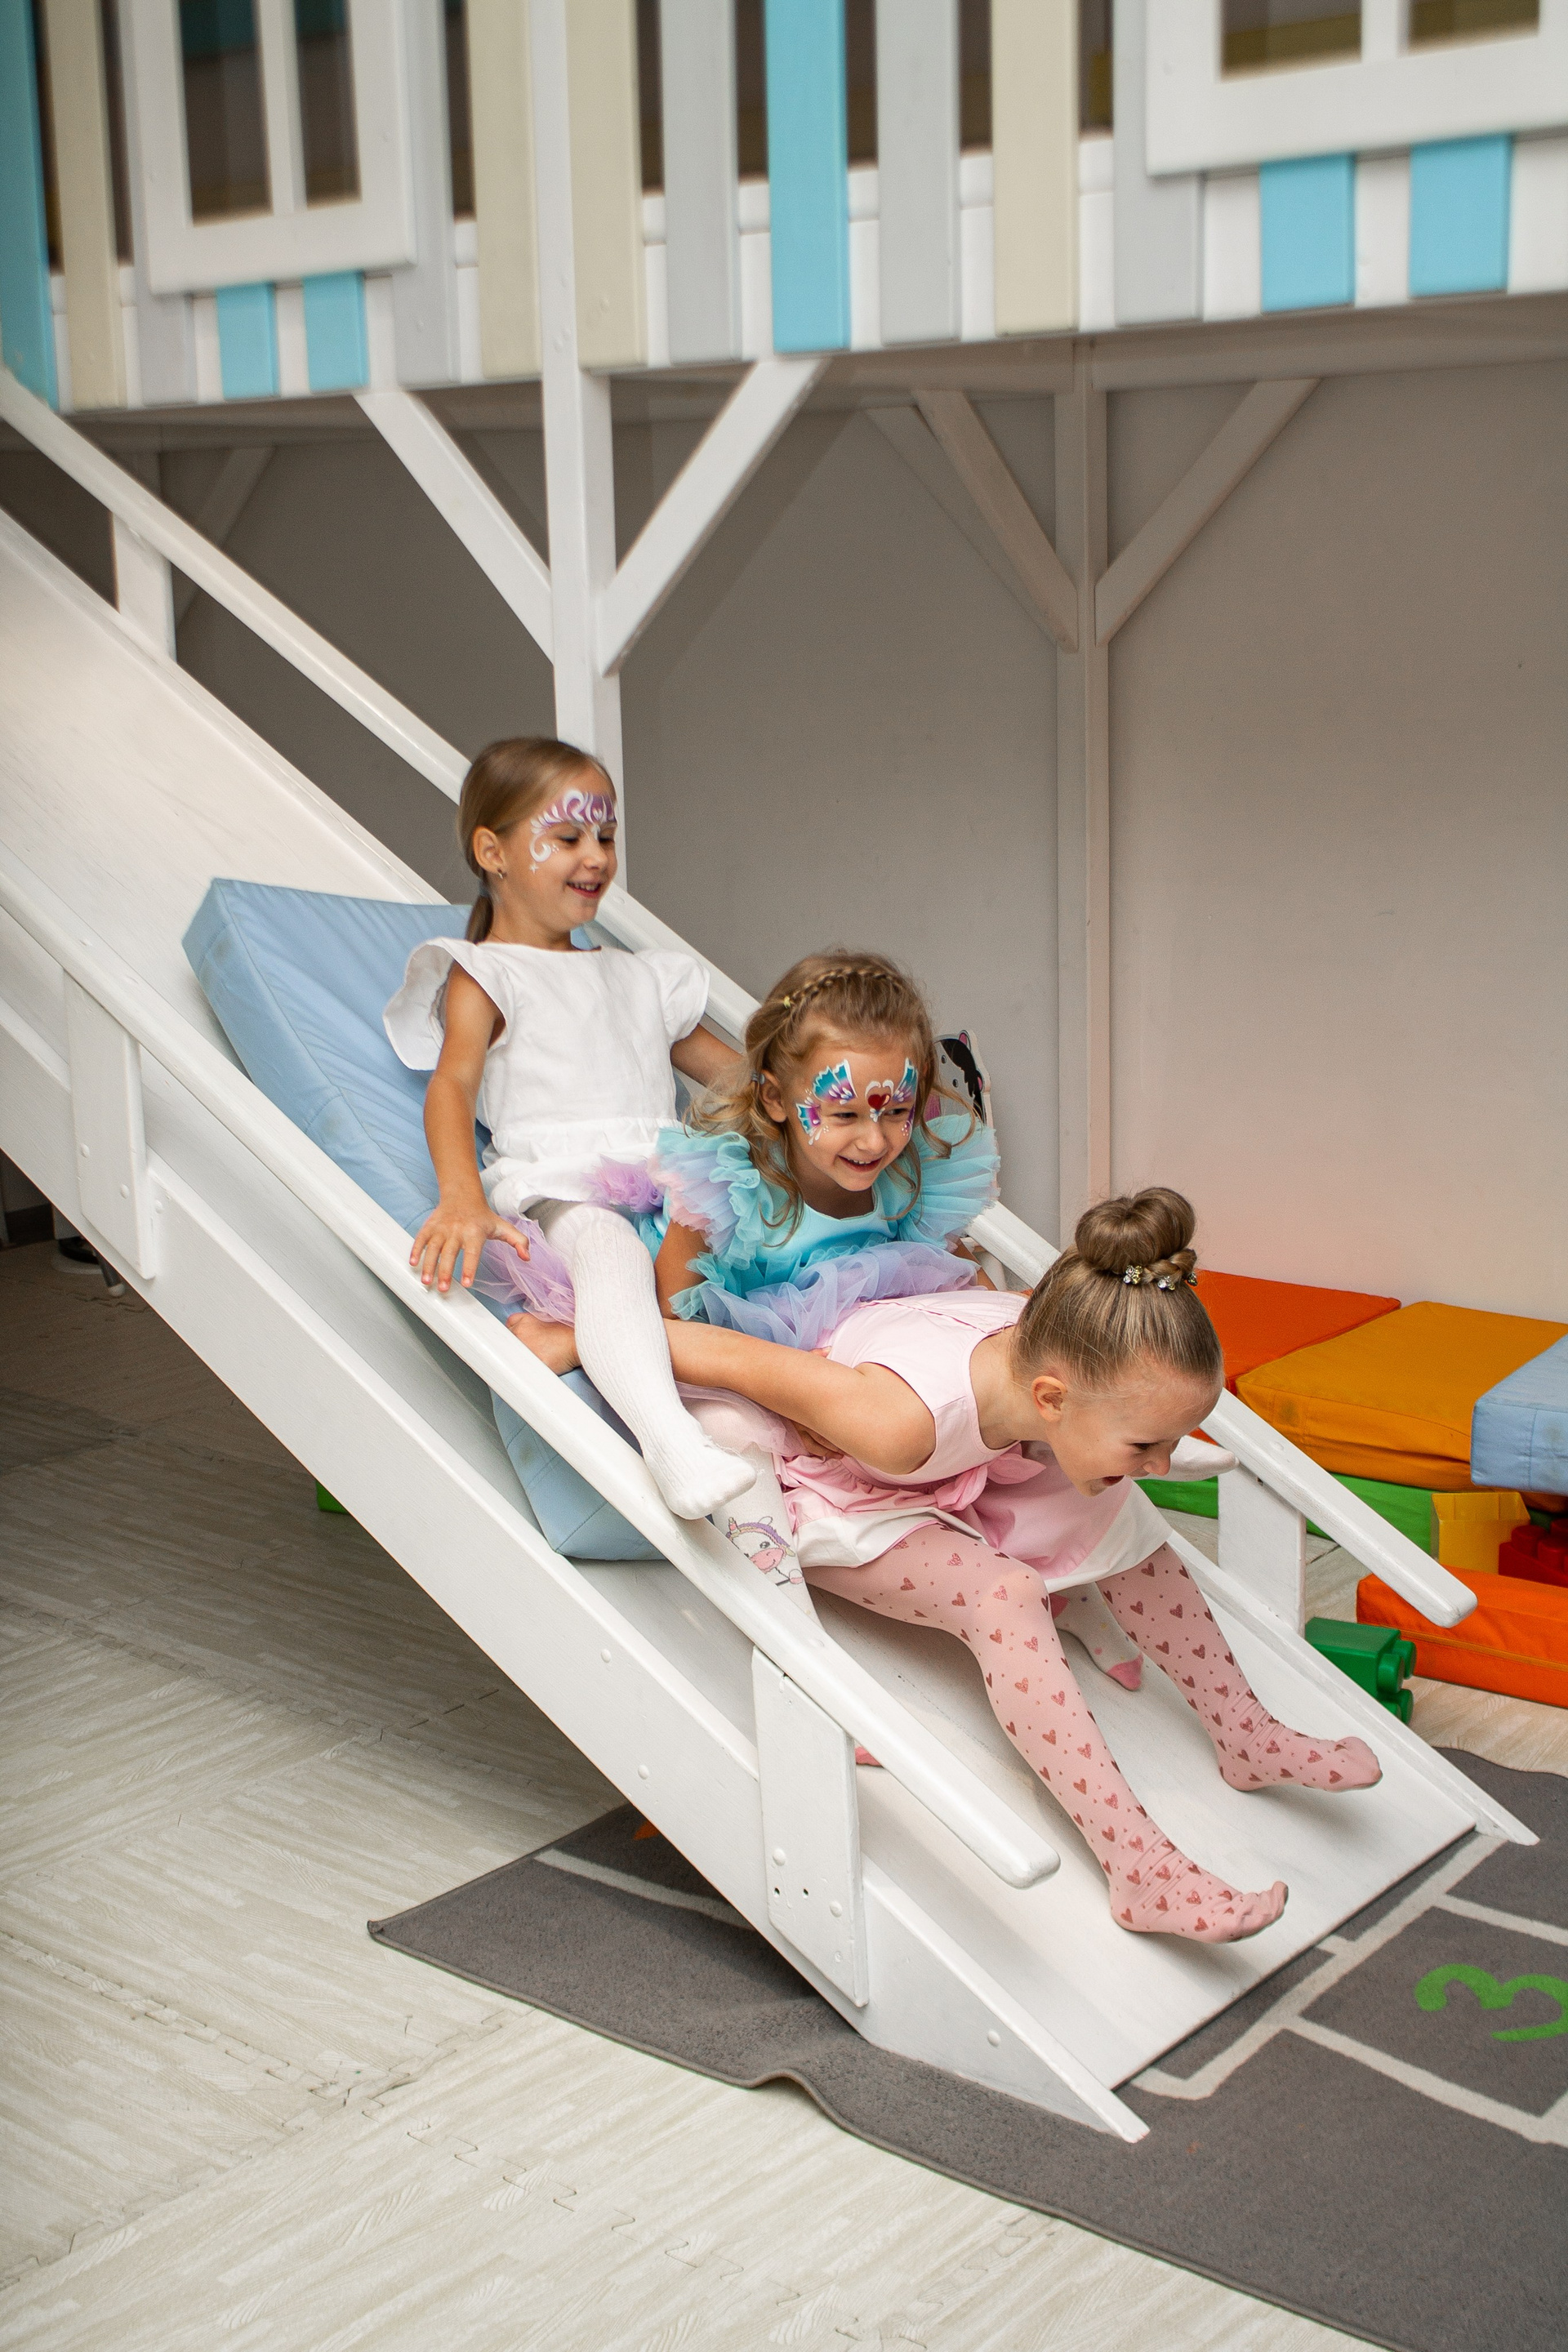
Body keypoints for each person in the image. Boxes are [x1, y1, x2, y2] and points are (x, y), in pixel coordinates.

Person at [653, 1187, 1383, 1945]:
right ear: (1050, 1398)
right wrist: (589, 1340)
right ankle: (1142, 1869)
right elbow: (724, 1353)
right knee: (1005, 1594)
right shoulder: (898, 1419)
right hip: (854, 1494)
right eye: (1147, 1443)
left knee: (1118, 1504)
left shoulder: (1054, 1330)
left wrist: (1127, 1458)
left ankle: (1245, 1731)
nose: (1163, 1463)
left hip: (967, 1466)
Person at [384, 737, 751, 1521]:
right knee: (610, 1250)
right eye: (569, 836)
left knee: (763, 1258)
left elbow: (740, 1081)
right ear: (494, 852)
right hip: (566, 1192)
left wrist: (830, 1098)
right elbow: (452, 1085)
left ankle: (583, 1339)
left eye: (606, 836)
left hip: (669, 1189)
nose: (596, 857)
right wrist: (459, 1197)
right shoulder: (486, 973)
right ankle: (673, 1446)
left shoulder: (639, 974)